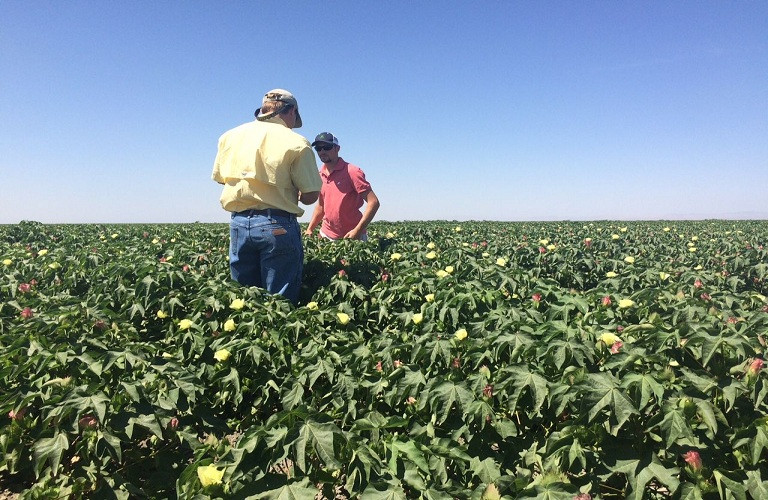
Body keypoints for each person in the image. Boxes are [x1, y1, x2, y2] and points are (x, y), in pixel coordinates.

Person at [212, 89, 321, 303]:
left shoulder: (229, 136)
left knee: (244, 298)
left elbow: (221, 179)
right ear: (291, 111)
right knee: (279, 301)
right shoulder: (296, 142)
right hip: (277, 225)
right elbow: (310, 195)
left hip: (239, 223)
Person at [304, 132, 380, 240]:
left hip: (353, 236)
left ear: (337, 148)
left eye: (327, 147)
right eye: (318, 148)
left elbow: (373, 202)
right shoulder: (320, 175)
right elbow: (321, 206)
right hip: (326, 235)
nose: (322, 151)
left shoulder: (352, 172)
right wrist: (310, 228)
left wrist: (357, 230)